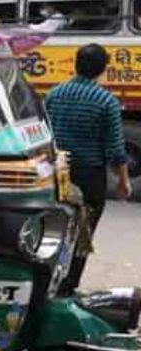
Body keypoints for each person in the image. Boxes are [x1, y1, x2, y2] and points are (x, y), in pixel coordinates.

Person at [45, 44, 132, 295]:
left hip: (58, 172)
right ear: (103, 69)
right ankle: (68, 285)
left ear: (75, 64)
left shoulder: (54, 94)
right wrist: (123, 181)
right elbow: (115, 148)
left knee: (54, 227)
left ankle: (48, 278)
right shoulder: (107, 102)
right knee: (82, 232)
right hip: (89, 176)